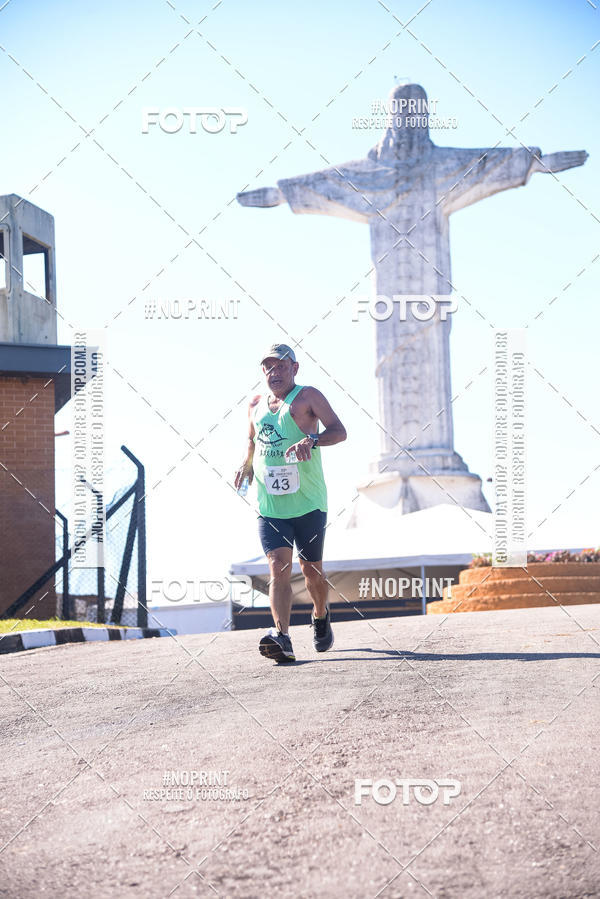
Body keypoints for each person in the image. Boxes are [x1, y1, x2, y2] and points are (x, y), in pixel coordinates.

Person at [234, 343, 347, 663]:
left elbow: (340, 431)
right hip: (271, 506)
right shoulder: (255, 403)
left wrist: (313, 440)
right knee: (277, 568)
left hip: (309, 502)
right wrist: (246, 462)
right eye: (268, 367)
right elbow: (252, 438)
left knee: (311, 572)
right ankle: (282, 636)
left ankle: (321, 614)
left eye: (281, 366)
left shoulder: (309, 397)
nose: (274, 372)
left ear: (295, 368)